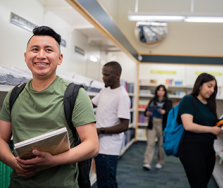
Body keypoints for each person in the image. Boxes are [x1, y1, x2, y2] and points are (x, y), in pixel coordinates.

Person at [0, 26, 99, 188]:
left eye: (48, 50)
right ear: (26, 57)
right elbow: (1, 139)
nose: (41, 55)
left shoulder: (74, 95)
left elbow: (92, 146)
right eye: (35, 49)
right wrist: (13, 163)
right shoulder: (14, 95)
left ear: (59, 58)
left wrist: (53, 161)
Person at [179, 73, 223, 188]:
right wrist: (212, 130)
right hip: (192, 149)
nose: (212, 90)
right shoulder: (188, 100)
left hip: (209, 149)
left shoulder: (210, 104)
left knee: (203, 184)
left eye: (214, 87)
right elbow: (188, 125)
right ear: (199, 85)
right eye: (209, 86)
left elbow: (211, 124)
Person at [92, 61, 130, 188]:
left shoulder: (122, 96)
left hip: (109, 148)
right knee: (102, 180)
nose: (103, 77)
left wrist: (100, 130)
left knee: (107, 182)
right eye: (103, 74)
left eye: (106, 75)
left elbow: (124, 126)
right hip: (99, 144)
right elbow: (91, 104)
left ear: (117, 75)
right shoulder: (105, 90)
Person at [143, 85, 172, 170]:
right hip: (152, 123)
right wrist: (147, 113)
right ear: (156, 91)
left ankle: (160, 161)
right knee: (150, 143)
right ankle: (147, 162)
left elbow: (171, 113)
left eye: (162, 90)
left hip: (163, 124)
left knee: (161, 144)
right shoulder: (152, 100)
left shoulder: (168, 102)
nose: (160, 92)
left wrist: (164, 112)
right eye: (159, 90)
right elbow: (145, 111)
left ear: (165, 92)